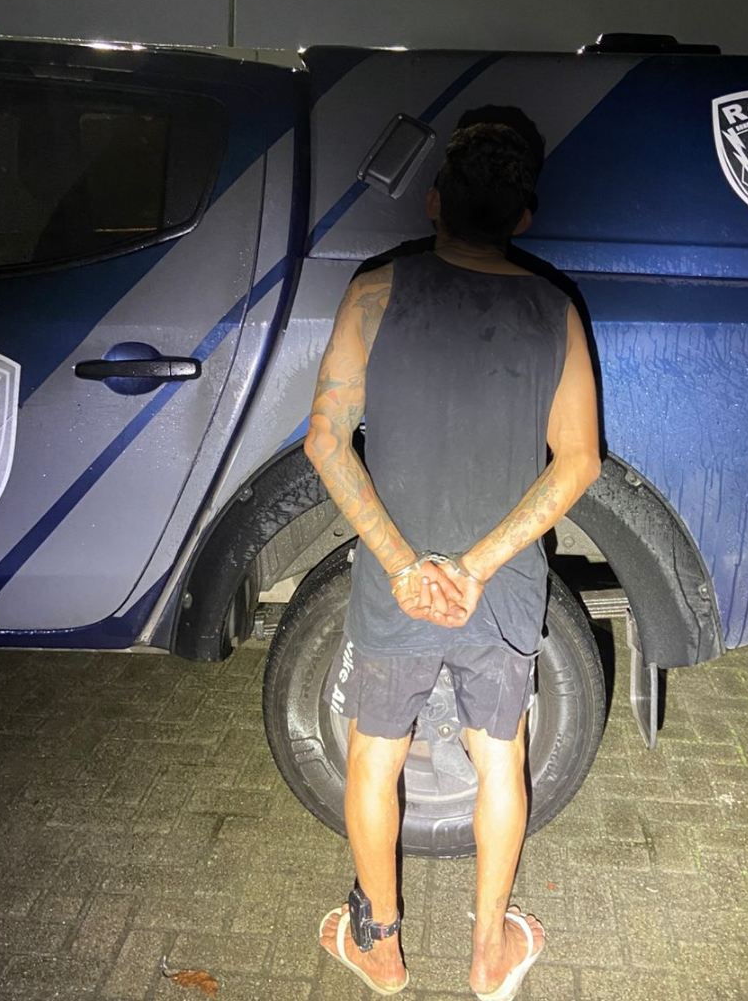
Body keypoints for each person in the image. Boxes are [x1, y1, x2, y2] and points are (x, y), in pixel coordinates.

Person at [304, 121, 601, 998]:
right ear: (524, 215)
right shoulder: (555, 311)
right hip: (499, 592)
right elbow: (579, 462)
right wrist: (474, 568)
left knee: (375, 757)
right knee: (500, 760)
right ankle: (488, 953)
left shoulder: (375, 292)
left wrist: (406, 565)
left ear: (434, 200)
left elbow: (326, 440)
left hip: (394, 587)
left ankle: (381, 951)